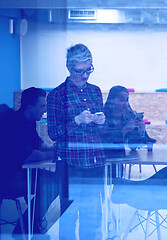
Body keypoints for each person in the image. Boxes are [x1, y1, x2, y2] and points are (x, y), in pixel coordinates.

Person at [47, 43, 106, 239]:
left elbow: (101, 131)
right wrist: (76, 121)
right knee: (69, 217)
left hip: (94, 161)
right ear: (69, 68)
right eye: (79, 71)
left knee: (93, 216)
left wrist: (101, 122)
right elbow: (53, 133)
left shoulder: (95, 91)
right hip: (70, 164)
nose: (85, 75)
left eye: (89, 70)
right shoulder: (57, 95)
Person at [0, 87, 54, 239]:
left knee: (57, 182)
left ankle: (28, 227)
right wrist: (54, 154)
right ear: (30, 107)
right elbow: (29, 156)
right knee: (54, 184)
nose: (45, 109)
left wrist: (53, 147)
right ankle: (24, 230)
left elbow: (39, 144)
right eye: (42, 106)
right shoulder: (16, 123)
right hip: (8, 178)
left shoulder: (28, 121)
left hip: (19, 173)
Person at [103, 85, 156, 154]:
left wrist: (141, 131)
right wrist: (125, 129)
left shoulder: (128, 116)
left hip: (121, 158)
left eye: (127, 99)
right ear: (112, 100)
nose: (125, 103)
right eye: (121, 100)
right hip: (105, 158)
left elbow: (133, 147)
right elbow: (106, 142)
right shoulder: (102, 117)